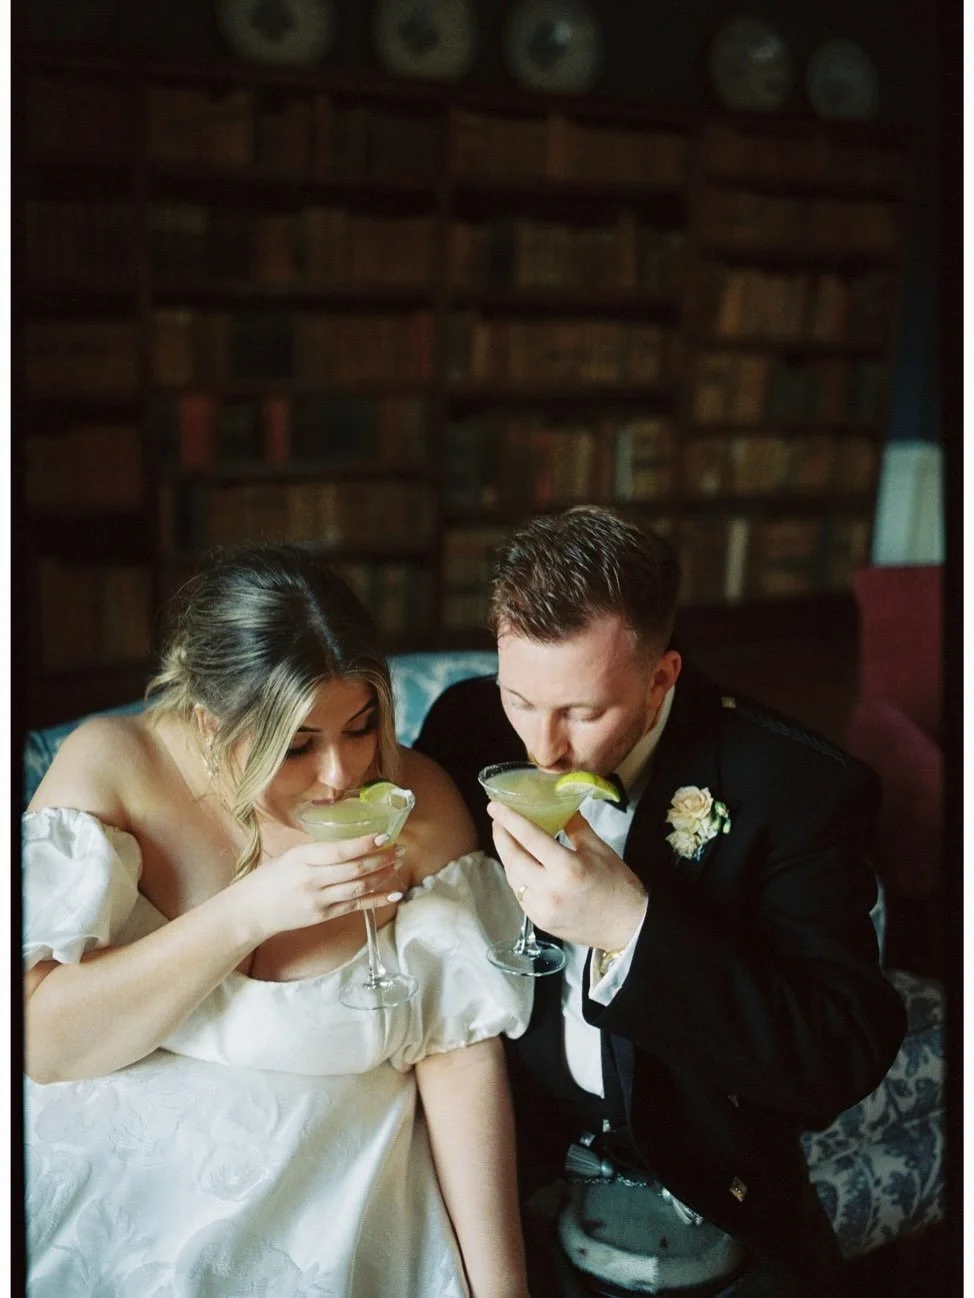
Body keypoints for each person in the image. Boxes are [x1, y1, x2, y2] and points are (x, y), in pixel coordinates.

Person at [414, 505, 908, 1298]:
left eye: (583, 712)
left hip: (705, 1189)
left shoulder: (797, 786)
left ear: (661, 678)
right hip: (503, 1169)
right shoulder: (466, 724)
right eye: (521, 699)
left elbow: (839, 1055)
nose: (542, 748)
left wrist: (630, 928)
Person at [23, 542, 534, 1298]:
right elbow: (41, 1046)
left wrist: (504, 1292)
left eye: (361, 726)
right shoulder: (114, 766)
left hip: (325, 1206)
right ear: (210, 725)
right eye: (297, 745)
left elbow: (459, 1058)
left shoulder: (413, 804)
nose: (341, 773)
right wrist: (250, 911)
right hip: (107, 1192)